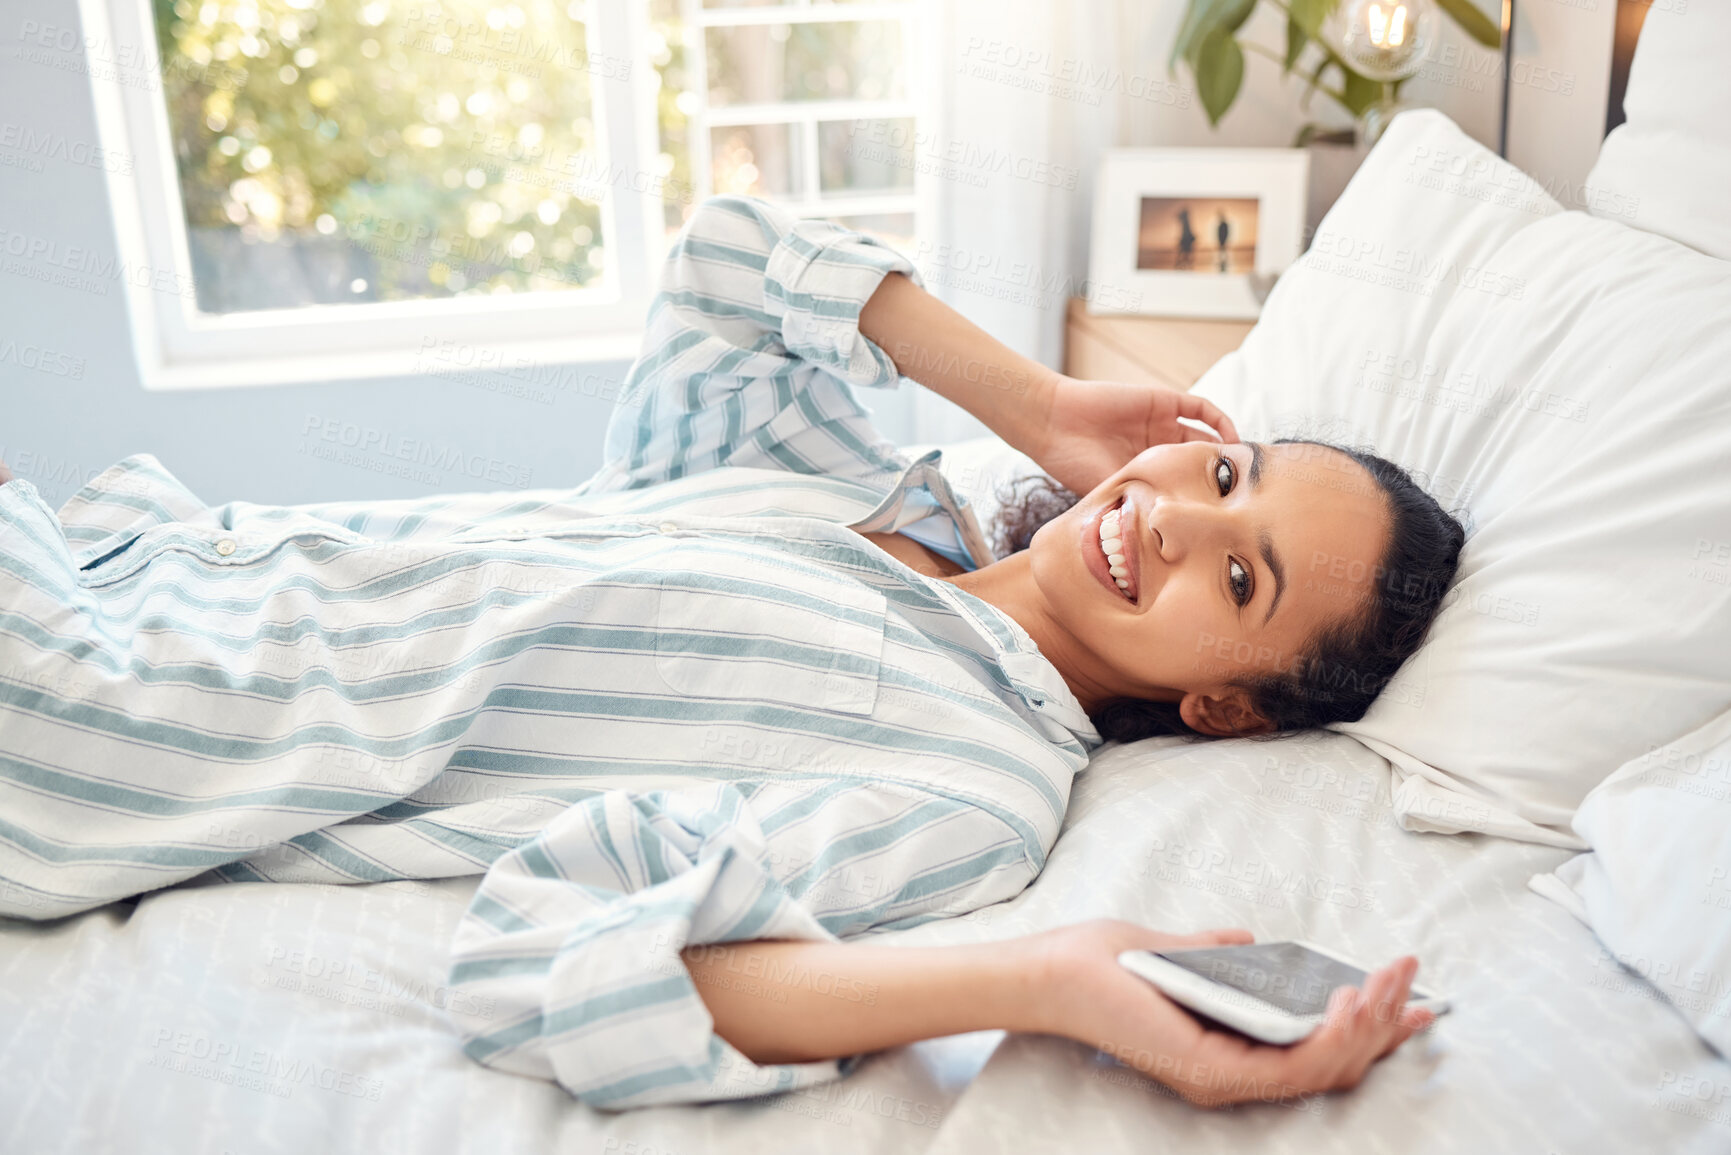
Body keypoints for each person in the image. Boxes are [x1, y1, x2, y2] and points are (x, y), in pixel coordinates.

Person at [0, 195, 1462, 1112]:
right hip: (111, 552)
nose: (1176, 523)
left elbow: (582, 962)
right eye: (1227, 476)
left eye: (1244, 575)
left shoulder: (973, 783)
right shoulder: (873, 492)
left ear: (1219, 706)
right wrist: (1031, 404)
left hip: (90, 715)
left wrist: (1051, 980)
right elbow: (729, 262)